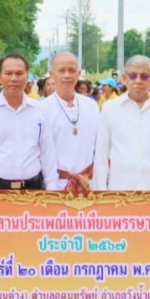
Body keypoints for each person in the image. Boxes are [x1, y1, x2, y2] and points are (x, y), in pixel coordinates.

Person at [0, 53, 59, 190]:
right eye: (8, 73)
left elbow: (47, 152)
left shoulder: (39, 110)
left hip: (32, 188)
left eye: (19, 73)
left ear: (27, 76)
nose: (13, 78)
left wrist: (52, 186)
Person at [93, 56, 150, 191]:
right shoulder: (109, 108)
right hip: (120, 190)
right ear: (124, 78)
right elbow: (101, 155)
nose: (138, 81)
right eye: (133, 76)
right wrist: (100, 194)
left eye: (144, 76)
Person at [41, 50, 100, 193]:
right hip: (56, 186)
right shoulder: (42, 108)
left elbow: (99, 147)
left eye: (72, 70)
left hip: (89, 183)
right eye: (61, 70)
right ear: (52, 73)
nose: (67, 75)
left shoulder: (91, 105)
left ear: (78, 73)